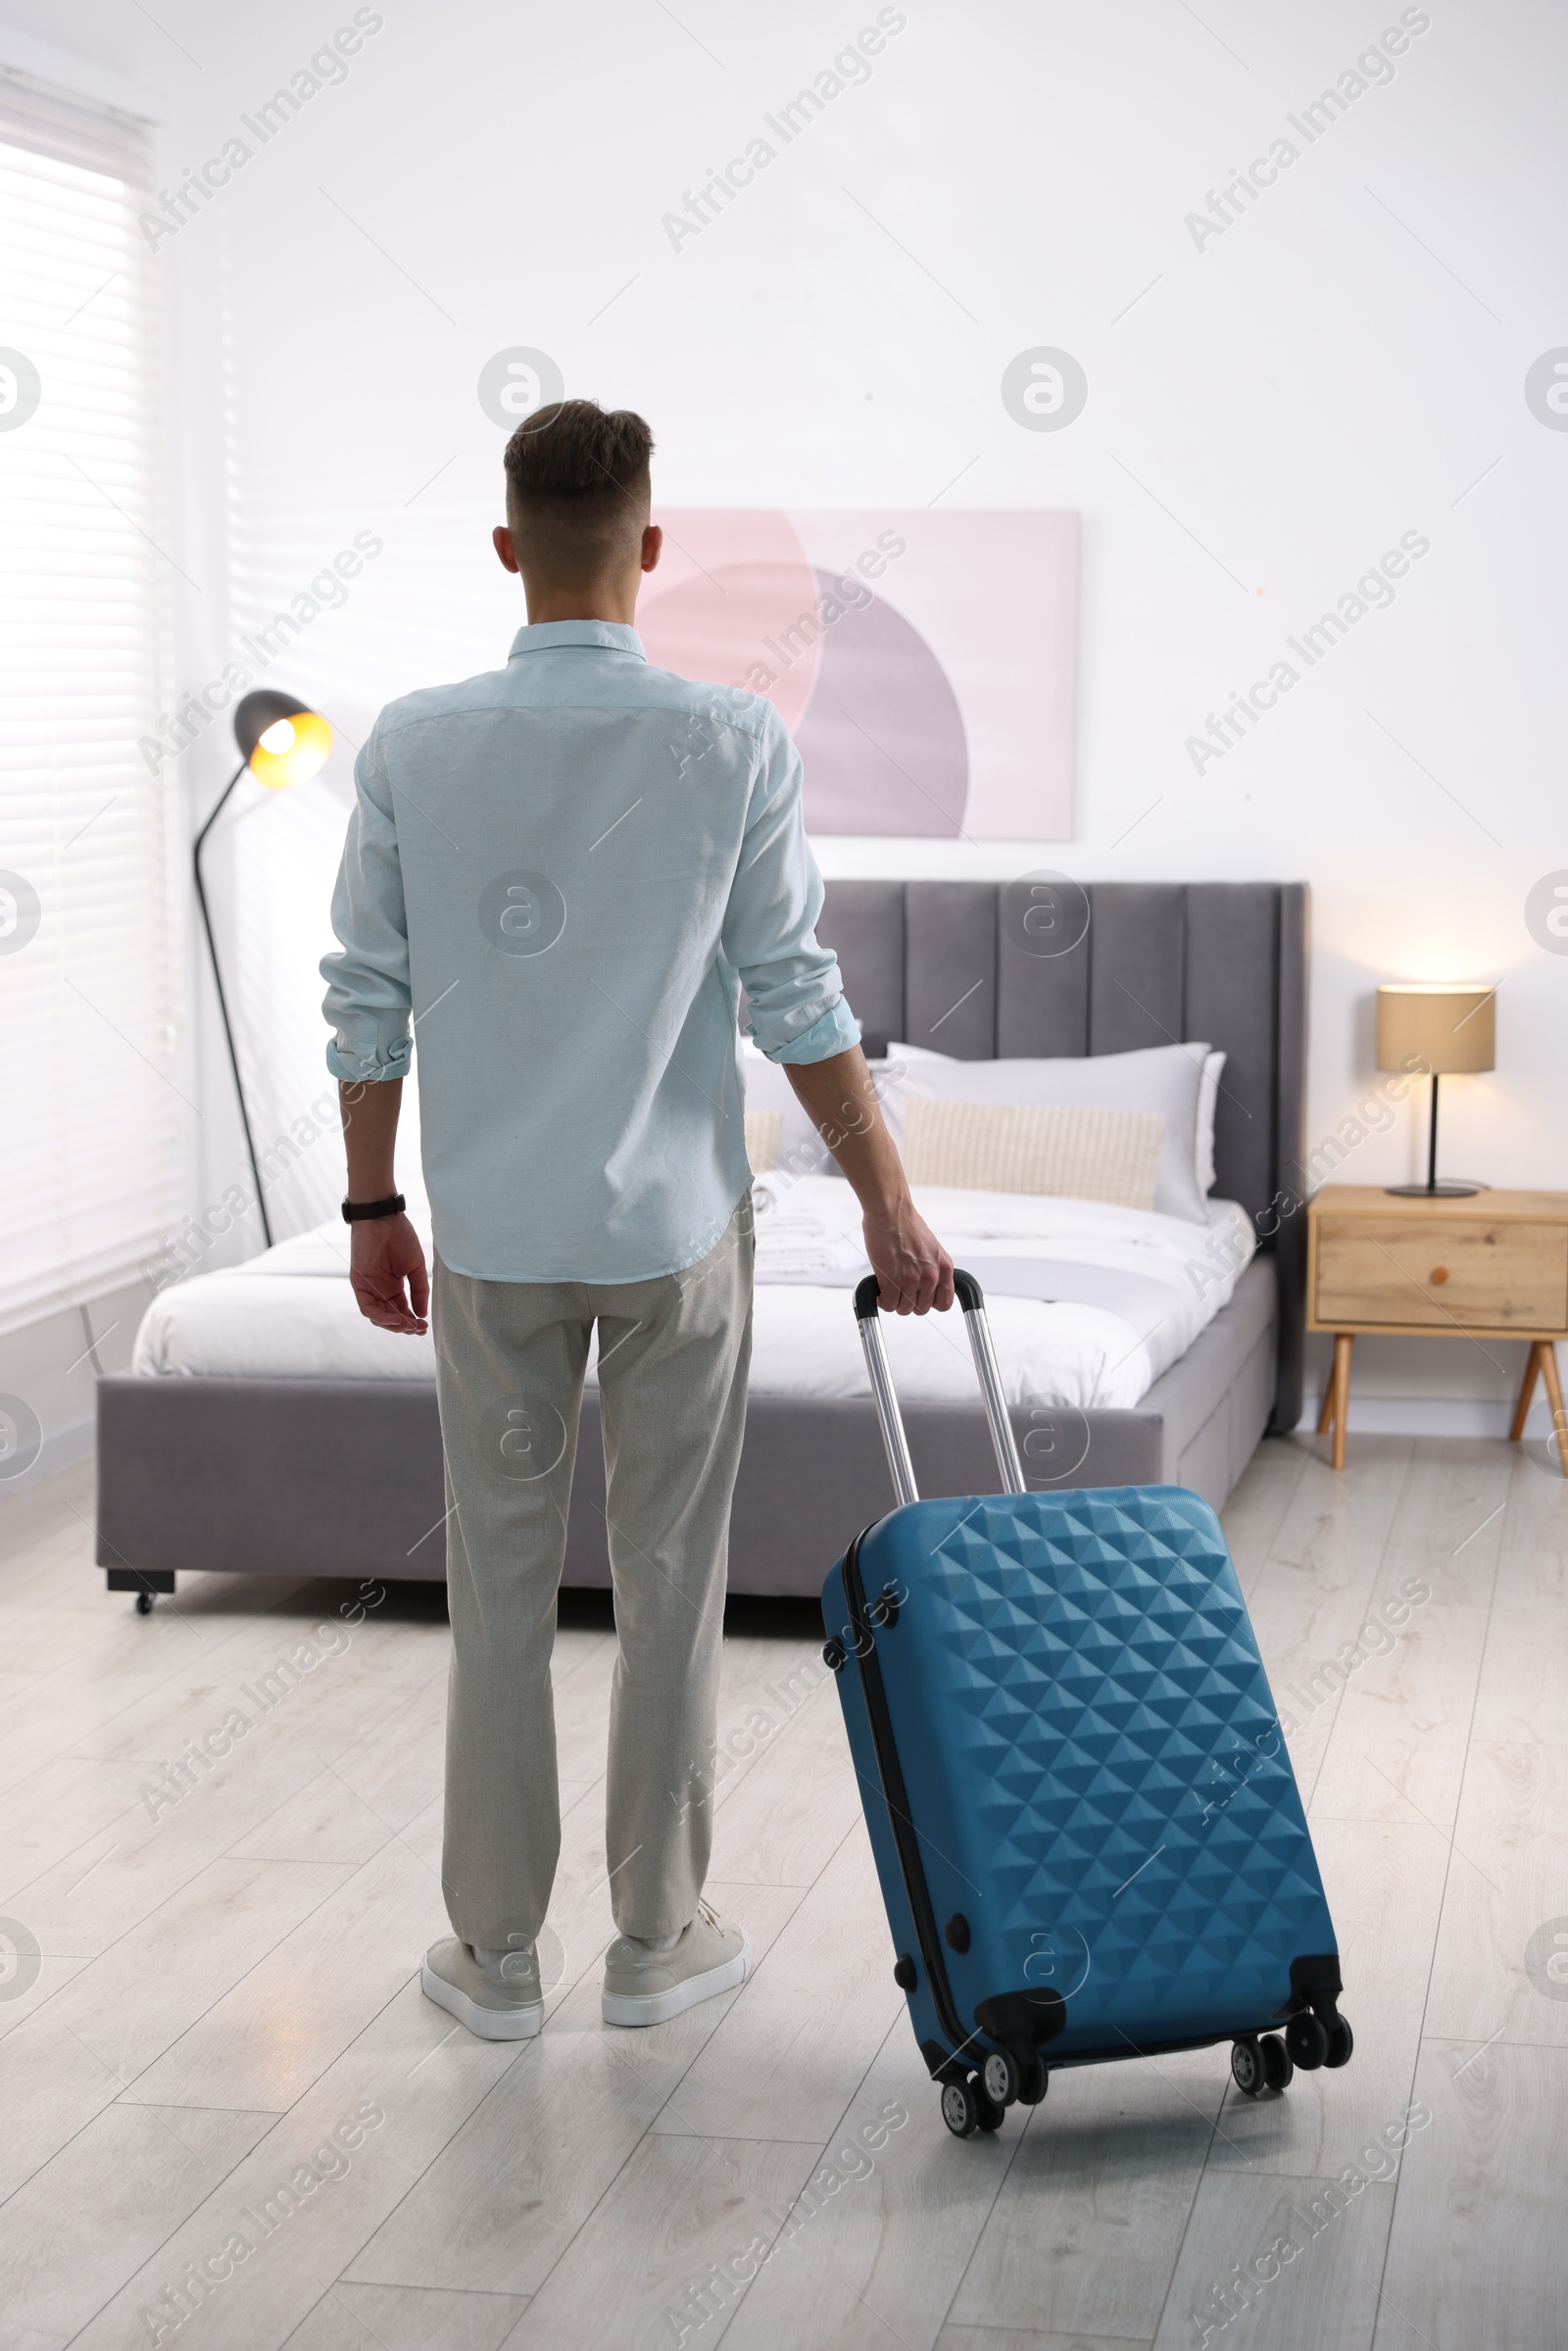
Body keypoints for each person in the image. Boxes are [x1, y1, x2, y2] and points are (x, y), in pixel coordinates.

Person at [321, 399, 952, 2041]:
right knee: (672, 1581)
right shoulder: (732, 741)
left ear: (509, 545)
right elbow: (796, 1000)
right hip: (678, 1234)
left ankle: (497, 1959)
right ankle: (659, 1940)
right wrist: (890, 1202)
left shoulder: (410, 742)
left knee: (501, 1593)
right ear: (650, 549)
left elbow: (365, 1000)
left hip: (489, 1239)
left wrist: (370, 1202)